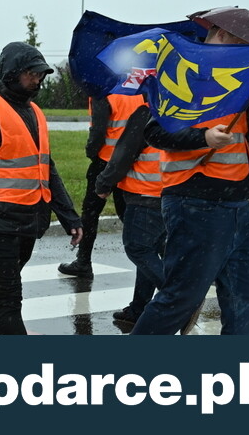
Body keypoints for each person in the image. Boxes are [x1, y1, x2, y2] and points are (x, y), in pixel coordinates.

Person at [131, 25, 249, 335]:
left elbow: (238, 138)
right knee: (181, 298)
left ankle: (240, 375)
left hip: (238, 203)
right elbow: (155, 131)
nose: (246, 45)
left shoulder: (242, 77)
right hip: (196, 202)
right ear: (222, 34)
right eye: (240, 38)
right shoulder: (187, 72)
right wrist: (204, 138)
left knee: (245, 298)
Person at [0, 42, 83, 335]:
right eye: (31, 74)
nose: (37, 80)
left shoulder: (35, 112)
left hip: (27, 223)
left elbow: (47, 169)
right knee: (9, 302)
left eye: (41, 74)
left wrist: (69, 217)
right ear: (11, 73)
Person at [90, 93, 165, 329]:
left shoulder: (146, 113)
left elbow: (123, 154)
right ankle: (139, 307)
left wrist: (104, 183)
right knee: (151, 250)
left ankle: (178, 295)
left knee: (138, 248)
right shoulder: (179, 111)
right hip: (169, 194)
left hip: (144, 193)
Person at [58, 94, 127, 278]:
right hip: (130, 160)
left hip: (105, 161)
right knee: (128, 213)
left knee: (90, 211)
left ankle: (83, 261)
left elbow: (98, 130)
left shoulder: (102, 90)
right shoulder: (134, 85)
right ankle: (171, 261)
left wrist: (91, 151)